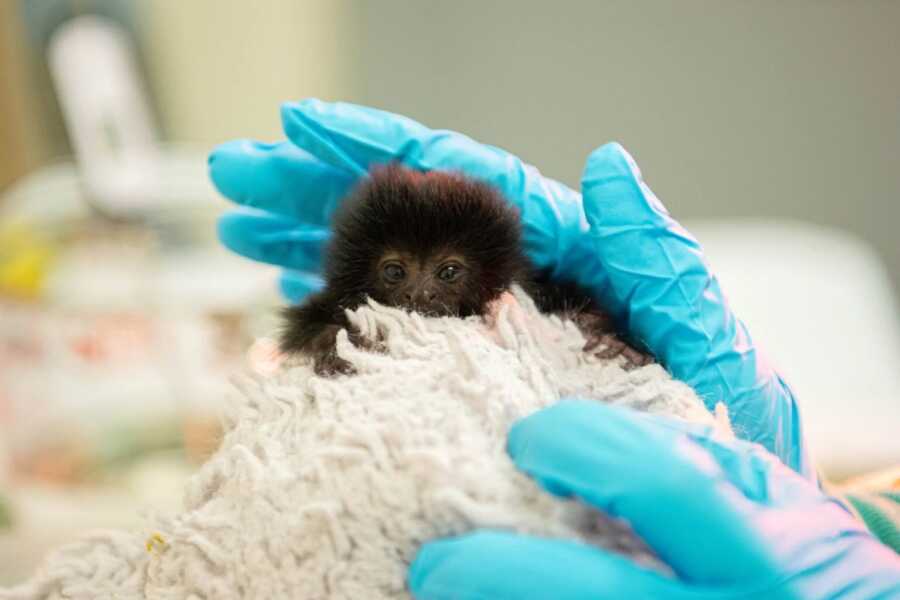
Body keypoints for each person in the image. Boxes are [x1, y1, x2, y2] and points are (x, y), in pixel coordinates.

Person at [209, 99, 900, 598]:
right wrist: (851, 520)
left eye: (446, 271)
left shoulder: (530, 307)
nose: (419, 291)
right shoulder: (345, 319)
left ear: (490, 270)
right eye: (395, 272)